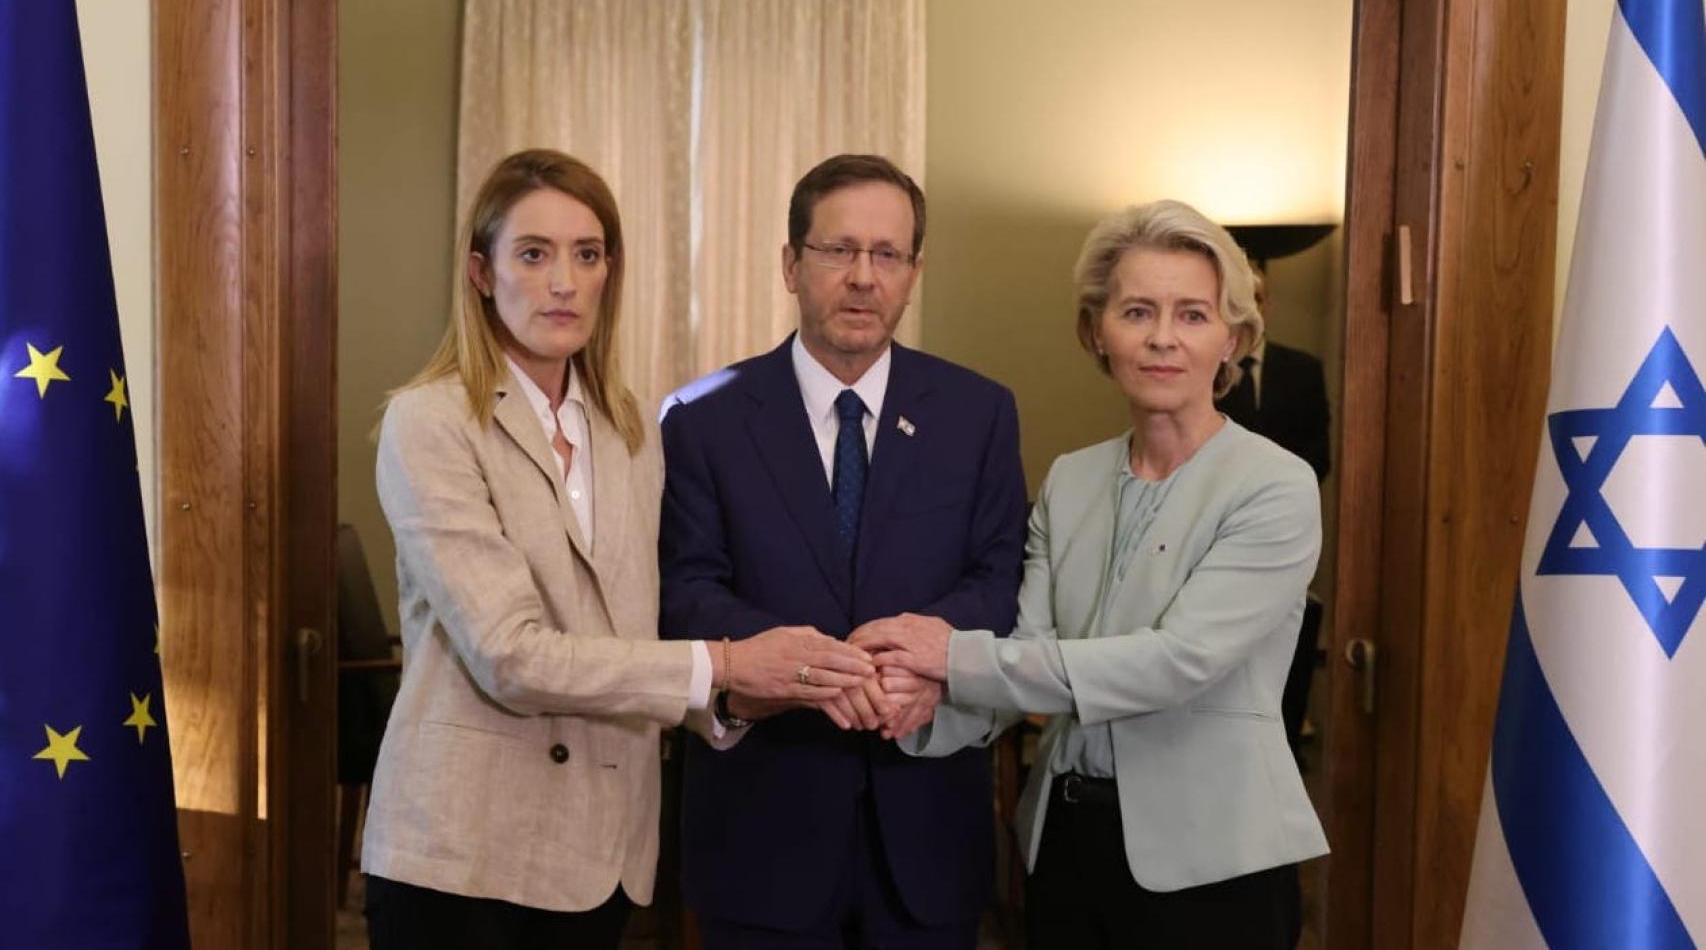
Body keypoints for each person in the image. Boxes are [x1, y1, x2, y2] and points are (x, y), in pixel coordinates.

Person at [360, 148, 875, 950]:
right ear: (482, 274)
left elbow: (637, 636)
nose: (564, 282)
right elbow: (509, 655)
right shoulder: (429, 423)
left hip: (603, 851)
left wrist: (757, 691)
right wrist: (729, 663)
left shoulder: (631, 429)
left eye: (588, 254)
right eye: (535, 254)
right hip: (463, 854)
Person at [856, 199, 1329, 949]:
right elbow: (1029, 650)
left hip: (1213, 864)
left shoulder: (1276, 485)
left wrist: (950, 657)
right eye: (1137, 311)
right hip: (1066, 847)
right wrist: (915, 702)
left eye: (1193, 315)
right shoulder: (1071, 480)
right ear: (1096, 332)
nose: (1163, 337)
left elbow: (1177, 662)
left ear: (1233, 338)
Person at [658, 153, 1028, 948]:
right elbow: (686, 590)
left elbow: (1001, 578)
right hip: (761, 832)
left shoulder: (979, 413)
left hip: (927, 826)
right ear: (791, 265)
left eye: (887, 254)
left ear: (913, 272)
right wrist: (809, 669)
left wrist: (915, 658)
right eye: (839, 250)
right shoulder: (700, 419)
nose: (864, 277)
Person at [1218, 271, 1333, 751]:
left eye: (1258, 297)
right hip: (1217, 524)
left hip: (1284, 521)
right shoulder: (1207, 368)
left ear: (1268, 304)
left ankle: (1282, 738)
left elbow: (1318, 450)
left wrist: (1278, 498)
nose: (1251, 305)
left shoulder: (1301, 368)